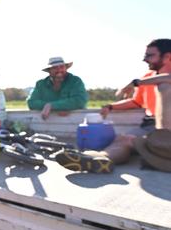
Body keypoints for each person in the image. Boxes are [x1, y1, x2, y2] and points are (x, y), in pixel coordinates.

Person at [56, 39, 171, 173]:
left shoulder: (147, 81)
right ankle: (100, 160)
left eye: (150, 55)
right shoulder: (147, 77)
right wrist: (110, 107)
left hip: (167, 131)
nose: (145, 59)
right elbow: (136, 102)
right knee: (123, 139)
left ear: (167, 56)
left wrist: (136, 83)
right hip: (150, 126)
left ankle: (162, 146)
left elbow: (167, 78)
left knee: (164, 86)